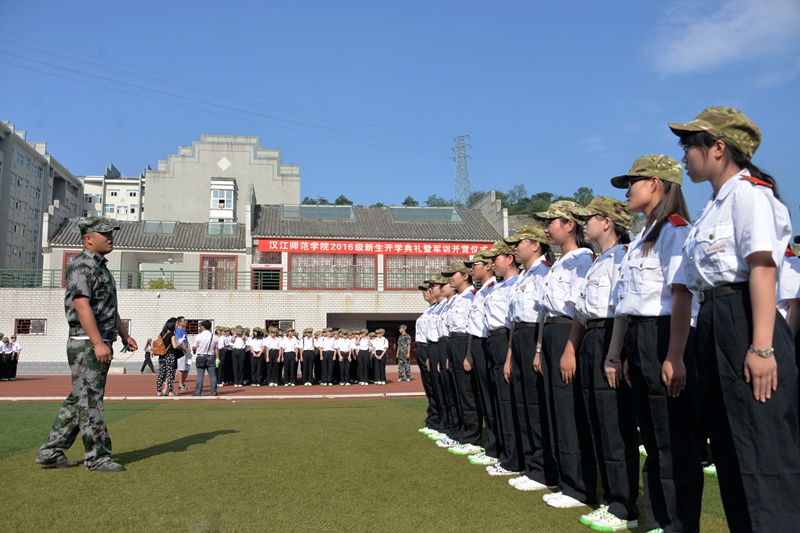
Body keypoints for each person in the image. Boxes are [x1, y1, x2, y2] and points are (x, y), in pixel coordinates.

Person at [672, 107, 800, 532]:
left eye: (691, 144)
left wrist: (762, 347)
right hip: (714, 320)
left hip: (746, 318)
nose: (685, 154)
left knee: (763, 452)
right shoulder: (712, 208)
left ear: (719, 148)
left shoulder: (750, 195)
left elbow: (762, 268)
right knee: (729, 449)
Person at [606, 154, 703, 532]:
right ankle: (660, 520)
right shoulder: (645, 235)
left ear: (657, 184)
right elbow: (632, 302)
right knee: (653, 439)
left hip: (667, 335)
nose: (628, 190)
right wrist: (628, 351)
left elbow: (681, 296)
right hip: (642, 338)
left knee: (674, 440)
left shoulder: (676, 230)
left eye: (634, 181)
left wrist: (675, 355)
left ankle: (679, 524)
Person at [35, 216, 137, 472]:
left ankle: (51, 452)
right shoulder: (81, 265)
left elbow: (109, 308)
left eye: (111, 233)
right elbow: (82, 305)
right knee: (91, 400)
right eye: (105, 234)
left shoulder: (101, 267)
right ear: (88, 239)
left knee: (79, 398)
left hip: (98, 340)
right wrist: (97, 342)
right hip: (86, 343)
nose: (111, 238)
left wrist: (124, 335)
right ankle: (97, 457)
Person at [566, 197, 640, 530]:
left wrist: (616, 353)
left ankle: (624, 505)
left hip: (611, 335)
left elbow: (623, 308)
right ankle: (611, 497)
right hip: (593, 338)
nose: (584, 224)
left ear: (607, 221)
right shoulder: (599, 261)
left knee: (614, 423)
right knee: (597, 419)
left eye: (589, 218)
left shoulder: (622, 258)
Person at [532, 201, 597, 509]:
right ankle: (566, 480)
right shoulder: (560, 262)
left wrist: (569, 349)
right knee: (555, 410)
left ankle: (579, 487)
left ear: (570, 225)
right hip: (553, 335)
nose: (547, 228)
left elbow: (578, 310)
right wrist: (541, 347)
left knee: (570, 412)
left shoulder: (582, 260)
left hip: (570, 334)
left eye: (552, 222)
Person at [503, 225, 559, 493]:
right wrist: (511, 354)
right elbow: (514, 319)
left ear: (536, 245)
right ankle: (531, 465)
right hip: (520, 339)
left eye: (520, 242)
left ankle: (544, 468)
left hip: (536, 336)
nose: (515, 248)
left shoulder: (544, 272)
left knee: (536, 406)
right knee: (524, 405)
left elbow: (544, 314)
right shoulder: (524, 276)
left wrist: (538, 349)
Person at [462, 250, 499, 467]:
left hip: (489, 343)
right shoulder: (483, 291)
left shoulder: (494, 288)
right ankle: (492, 445)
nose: (472, 269)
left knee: (492, 398)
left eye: (476, 264)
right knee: (486, 398)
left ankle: (495, 446)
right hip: (478, 343)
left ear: (488, 267)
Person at [192, 320, 219, 396]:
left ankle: (198, 392)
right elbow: (216, 349)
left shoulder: (199, 336)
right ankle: (214, 392)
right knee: (213, 376)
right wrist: (217, 358)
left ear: (203, 327)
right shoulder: (214, 336)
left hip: (201, 356)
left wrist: (194, 351)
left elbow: (194, 347)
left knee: (200, 376)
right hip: (211, 356)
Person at [156, 317, 181, 396]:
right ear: (172, 324)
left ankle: (159, 391)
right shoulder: (172, 334)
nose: (177, 325)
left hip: (162, 355)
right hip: (170, 355)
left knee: (161, 373)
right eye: (176, 323)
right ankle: (170, 391)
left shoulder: (161, 334)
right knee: (169, 373)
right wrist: (180, 343)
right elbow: (174, 346)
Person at [174, 316, 190, 391]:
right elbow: (180, 342)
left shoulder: (184, 331)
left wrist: (189, 348)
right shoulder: (178, 331)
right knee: (181, 368)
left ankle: (183, 383)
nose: (185, 322)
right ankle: (180, 385)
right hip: (181, 351)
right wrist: (185, 349)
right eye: (184, 321)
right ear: (180, 322)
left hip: (187, 351)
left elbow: (186, 340)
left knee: (187, 368)